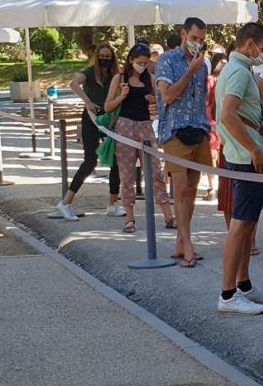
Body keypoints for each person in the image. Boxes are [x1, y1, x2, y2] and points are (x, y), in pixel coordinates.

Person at [214, 23, 263, 315]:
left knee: (247, 224)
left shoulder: (236, 69)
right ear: (249, 44)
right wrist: (254, 149)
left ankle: (243, 285)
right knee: (240, 226)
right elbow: (228, 115)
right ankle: (228, 294)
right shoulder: (239, 72)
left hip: (243, 154)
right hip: (245, 158)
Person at [156, 17, 212, 267]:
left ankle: (181, 241)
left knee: (192, 189)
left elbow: (202, 99)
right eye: (194, 38)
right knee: (179, 189)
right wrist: (190, 70)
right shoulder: (167, 60)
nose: (197, 43)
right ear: (183, 34)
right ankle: (187, 244)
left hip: (198, 129)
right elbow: (167, 96)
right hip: (175, 130)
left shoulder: (203, 66)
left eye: (201, 40)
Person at [105, 42, 174, 232]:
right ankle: (129, 218)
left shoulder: (150, 79)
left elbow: (160, 105)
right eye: (139, 62)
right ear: (130, 60)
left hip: (145, 126)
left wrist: (155, 104)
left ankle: (168, 216)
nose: (142, 66)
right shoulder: (119, 78)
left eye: (145, 63)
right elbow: (107, 106)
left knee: (155, 171)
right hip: (125, 126)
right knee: (126, 174)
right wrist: (122, 96)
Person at [52, 43, 122, 221]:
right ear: (97, 57)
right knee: (90, 161)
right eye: (102, 56)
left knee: (116, 161)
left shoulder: (115, 75)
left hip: (109, 120)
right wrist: (87, 101)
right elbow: (74, 83)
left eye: (108, 57)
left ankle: (113, 203)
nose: (105, 59)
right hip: (91, 119)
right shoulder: (90, 72)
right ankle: (66, 202)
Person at [203, 50, 228, 202]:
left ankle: (219, 185)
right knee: (212, 154)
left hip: (224, 120)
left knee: (221, 155)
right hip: (211, 120)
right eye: (221, 62)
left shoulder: (228, 79)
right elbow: (206, 101)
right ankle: (212, 186)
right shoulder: (210, 79)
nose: (223, 65)